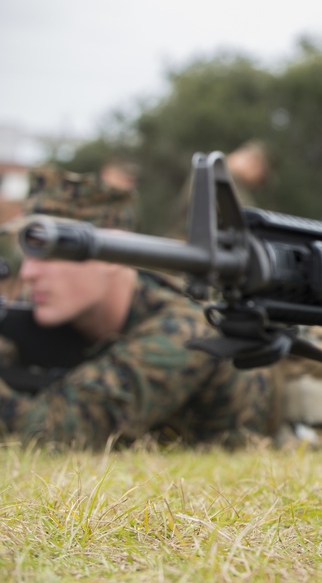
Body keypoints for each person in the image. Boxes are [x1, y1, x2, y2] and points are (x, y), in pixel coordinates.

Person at [0, 166, 279, 449]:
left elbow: (56, 431)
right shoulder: (49, 313)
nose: (28, 273)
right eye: (27, 254)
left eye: (49, 255)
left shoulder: (184, 331)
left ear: (110, 253)